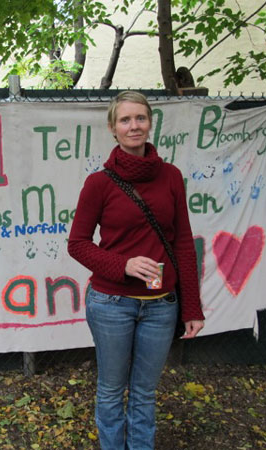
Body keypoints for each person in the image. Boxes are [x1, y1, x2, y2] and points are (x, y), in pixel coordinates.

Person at [67, 91, 205, 450]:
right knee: (112, 390)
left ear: (150, 123)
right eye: (125, 120)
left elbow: (184, 244)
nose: (134, 126)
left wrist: (191, 308)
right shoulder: (99, 184)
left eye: (140, 118)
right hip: (112, 303)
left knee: (144, 392)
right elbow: (77, 243)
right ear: (113, 128)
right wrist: (123, 264)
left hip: (161, 305)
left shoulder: (171, 176)